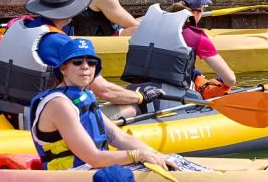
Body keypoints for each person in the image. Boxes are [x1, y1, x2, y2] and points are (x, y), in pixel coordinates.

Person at [0, 0, 161, 129]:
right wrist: (139, 96)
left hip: (6, 114)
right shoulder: (58, 42)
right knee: (130, 108)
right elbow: (104, 91)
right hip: (38, 122)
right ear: (69, 12)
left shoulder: (17, 28)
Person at [29, 38, 175, 171]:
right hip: (70, 175)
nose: (85, 66)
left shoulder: (85, 96)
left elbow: (118, 137)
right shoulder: (59, 104)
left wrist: (156, 155)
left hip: (91, 171)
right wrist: (138, 155)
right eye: (77, 61)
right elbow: (93, 158)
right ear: (63, 69)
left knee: (168, 163)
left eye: (91, 62)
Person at [121, 0, 235, 101]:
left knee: (196, 76)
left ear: (173, 3)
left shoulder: (145, 28)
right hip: (171, 99)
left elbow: (121, 32)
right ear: (201, 9)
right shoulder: (197, 36)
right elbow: (230, 79)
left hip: (137, 93)